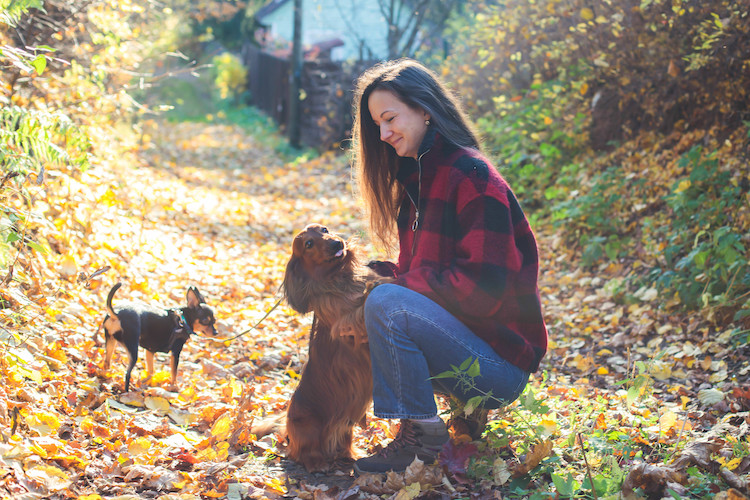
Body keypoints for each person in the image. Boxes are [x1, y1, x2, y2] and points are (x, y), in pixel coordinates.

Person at [349, 59, 548, 474]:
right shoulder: (418, 182)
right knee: (375, 295)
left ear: (424, 109)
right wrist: (373, 276)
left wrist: (391, 288)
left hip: (499, 367)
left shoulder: (472, 176)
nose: (384, 134)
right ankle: (451, 418)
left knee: (387, 302)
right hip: (469, 350)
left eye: (390, 119)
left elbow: (481, 290)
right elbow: (422, 277)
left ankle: (422, 434)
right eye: (377, 125)